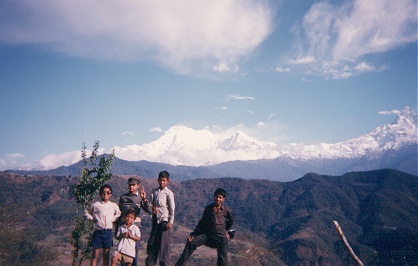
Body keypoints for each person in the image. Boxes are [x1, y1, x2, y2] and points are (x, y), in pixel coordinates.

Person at [175, 188, 235, 266]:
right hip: (208, 236)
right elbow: (202, 223)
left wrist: (228, 232)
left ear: (223, 199)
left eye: (220, 197)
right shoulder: (208, 209)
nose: (217, 199)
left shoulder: (226, 210)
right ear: (214, 197)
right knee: (191, 242)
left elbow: (232, 221)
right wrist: (194, 234)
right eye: (216, 196)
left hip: (221, 237)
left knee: (222, 259)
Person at [142, 170, 176, 266]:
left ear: (167, 181)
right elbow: (149, 207)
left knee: (164, 246)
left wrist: (171, 222)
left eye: (164, 180)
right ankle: (150, 263)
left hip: (164, 221)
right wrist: (144, 200)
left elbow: (172, 208)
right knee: (152, 243)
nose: (162, 182)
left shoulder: (169, 193)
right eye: (160, 180)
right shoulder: (154, 191)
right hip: (155, 220)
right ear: (158, 180)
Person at [84, 184, 121, 266]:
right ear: (100, 193)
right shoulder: (96, 205)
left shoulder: (113, 205)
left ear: (111, 194)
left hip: (108, 232)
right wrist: (92, 218)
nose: (106, 194)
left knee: (106, 255)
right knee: (95, 254)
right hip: (98, 231)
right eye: (104, 192)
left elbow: (118, 213)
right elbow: (86, 211)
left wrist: (113, 219)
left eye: (108, 192)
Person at [118, 176, 148, 266]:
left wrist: (144, 200)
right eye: (130, 185)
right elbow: (119, 211)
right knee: (123, 251)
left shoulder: (140, 198)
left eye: (133, 185)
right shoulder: (123, 197)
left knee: (134, 251)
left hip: (135, 227)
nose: (131, 187)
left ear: (138, 186)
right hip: (124, 226)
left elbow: (149, 210)